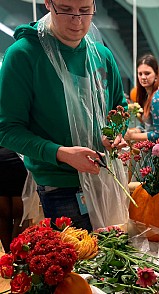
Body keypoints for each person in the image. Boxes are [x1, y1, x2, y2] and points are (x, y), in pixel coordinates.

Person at [0, 0, 129, 232]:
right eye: (66, 9)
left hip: (107, 179)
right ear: (48, 3)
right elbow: (6, 130)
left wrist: (116, 133)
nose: (77, 20)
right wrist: (61, 154)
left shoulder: (102, 55)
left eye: (84, 10)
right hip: (61, 187)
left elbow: (119, 108)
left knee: (115, 257)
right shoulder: (23, 55)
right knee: (79, 262)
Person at [124, 54, 159, 149]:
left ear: (156, 75)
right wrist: (134, 131)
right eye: (140, 74)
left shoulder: (158, 98)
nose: (143, 77)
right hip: (154, 147)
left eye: (147, 73)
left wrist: (132, 136)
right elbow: (147, 126)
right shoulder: (148, 95)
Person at [0, 148, 30, 252]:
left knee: (2, 216)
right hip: (17, 158)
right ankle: (17, 258)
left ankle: (8, 259)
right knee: (21, 216)